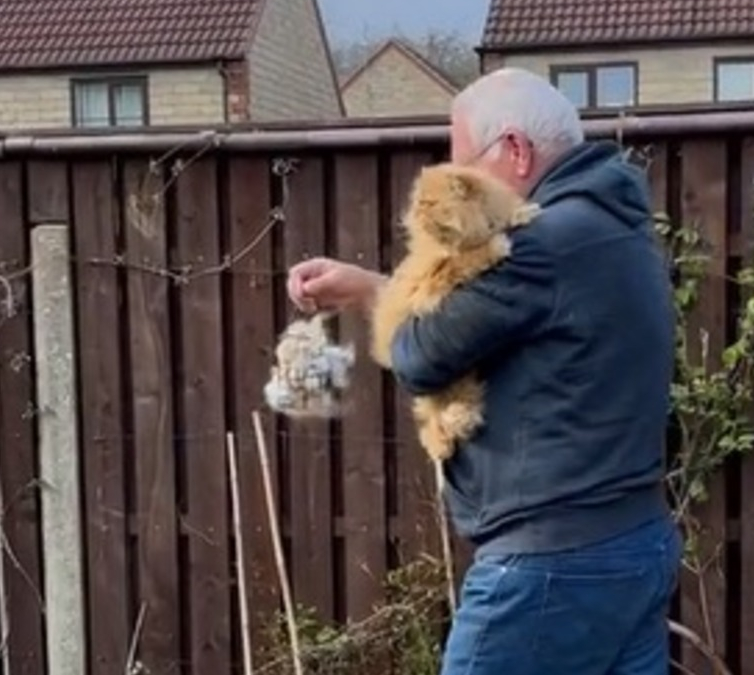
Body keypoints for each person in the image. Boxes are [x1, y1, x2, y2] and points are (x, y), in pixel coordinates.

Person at [285, 67, 682, 675]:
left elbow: (421, 355)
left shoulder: (542, 242)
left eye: (463, 168)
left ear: (516, 151)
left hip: (550, 566)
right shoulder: (617, 230)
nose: (459, 188)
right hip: (634, 546)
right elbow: (487, 322)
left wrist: (377, 297)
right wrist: (371, 288)